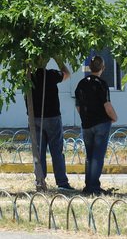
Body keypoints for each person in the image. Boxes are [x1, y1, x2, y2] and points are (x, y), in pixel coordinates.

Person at [75, 55, 118, 196]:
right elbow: (107, 105)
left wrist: (85, 118)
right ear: (103, 68)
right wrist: (114, 117)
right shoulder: (101, 84)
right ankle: (94, 187)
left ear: (90, 68)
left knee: (89, 155)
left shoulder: (81, 84)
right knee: (97, 156)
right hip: (101, 124)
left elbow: (78, 107)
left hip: (86, 124)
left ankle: (89, 186)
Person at [27, 61, 74, 191]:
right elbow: (67, 74)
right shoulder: (51, 75)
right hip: (52, 117)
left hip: (34, 118)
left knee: (39, 152)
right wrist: (59, 61)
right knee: (56, 151)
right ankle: (62, 183)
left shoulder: (27, 76)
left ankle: (40, 181)